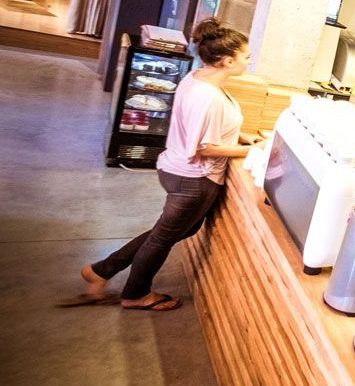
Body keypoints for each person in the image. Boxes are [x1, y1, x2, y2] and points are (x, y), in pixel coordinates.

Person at [73, 18, 261, 311]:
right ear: (227, 61)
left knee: (178, 230)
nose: (249, 61)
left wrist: (241, 136)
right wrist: (251, 151)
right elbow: (204, 147)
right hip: (193, 180)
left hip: (176, 169)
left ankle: (100, 271)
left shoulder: (197, 77)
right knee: (162, 239)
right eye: (246, 56)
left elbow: (204, 128)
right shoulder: (208, 97)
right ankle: (135, 294)